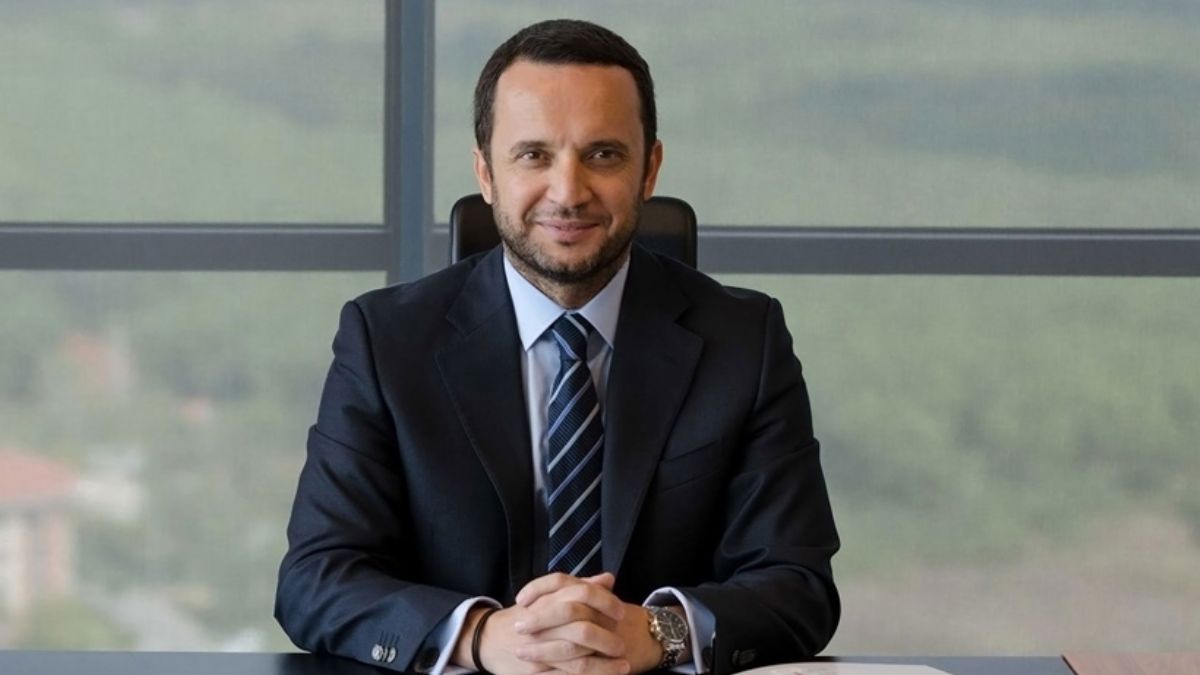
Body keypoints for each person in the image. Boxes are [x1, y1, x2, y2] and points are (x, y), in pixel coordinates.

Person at [275, 18, 839, 675]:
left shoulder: (744, 339)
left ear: (650, 169)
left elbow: (798, 584)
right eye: (533, 155)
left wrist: (656, 631)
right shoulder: (385, 341)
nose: (568, 192)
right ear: (486, 172)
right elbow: (316, 577)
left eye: (603, 154)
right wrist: (482, 637)